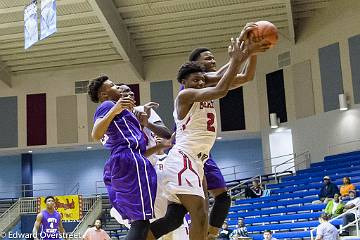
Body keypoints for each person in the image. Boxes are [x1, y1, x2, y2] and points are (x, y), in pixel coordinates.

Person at [148, 36, 268, 240]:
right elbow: (221, 89)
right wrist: (238, 58)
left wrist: (252, 53)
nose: (200, 81)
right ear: (184, 82)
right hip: (183, 158)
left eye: (202, 80)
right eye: (196, 79)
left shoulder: (203, 88)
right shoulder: (186, 95)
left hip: (197, 161)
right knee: (200, 213)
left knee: (174, 219)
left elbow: (246, 77)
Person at [185, 23, 269, 239]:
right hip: (188, 151)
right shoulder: (193, 84)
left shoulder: (213, 81)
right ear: (195, 65)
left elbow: (246, 78)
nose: (212, 61)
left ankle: (210, 235)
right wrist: (244, 47)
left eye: (214, 58)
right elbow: (222, 80)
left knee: (223, 198)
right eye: (208, 59)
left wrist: (253, 54)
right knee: (200, 203)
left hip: (205, 152)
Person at [88, 75, 167, 240]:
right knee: (141, 221)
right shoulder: (108, 105)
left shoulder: (124, 113)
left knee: (140, 221)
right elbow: (95, 134)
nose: (118, 87)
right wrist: (114, 109)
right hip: (129, 159)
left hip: (129, 160)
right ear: (103, 94)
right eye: (113, 85)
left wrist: (159, 145)